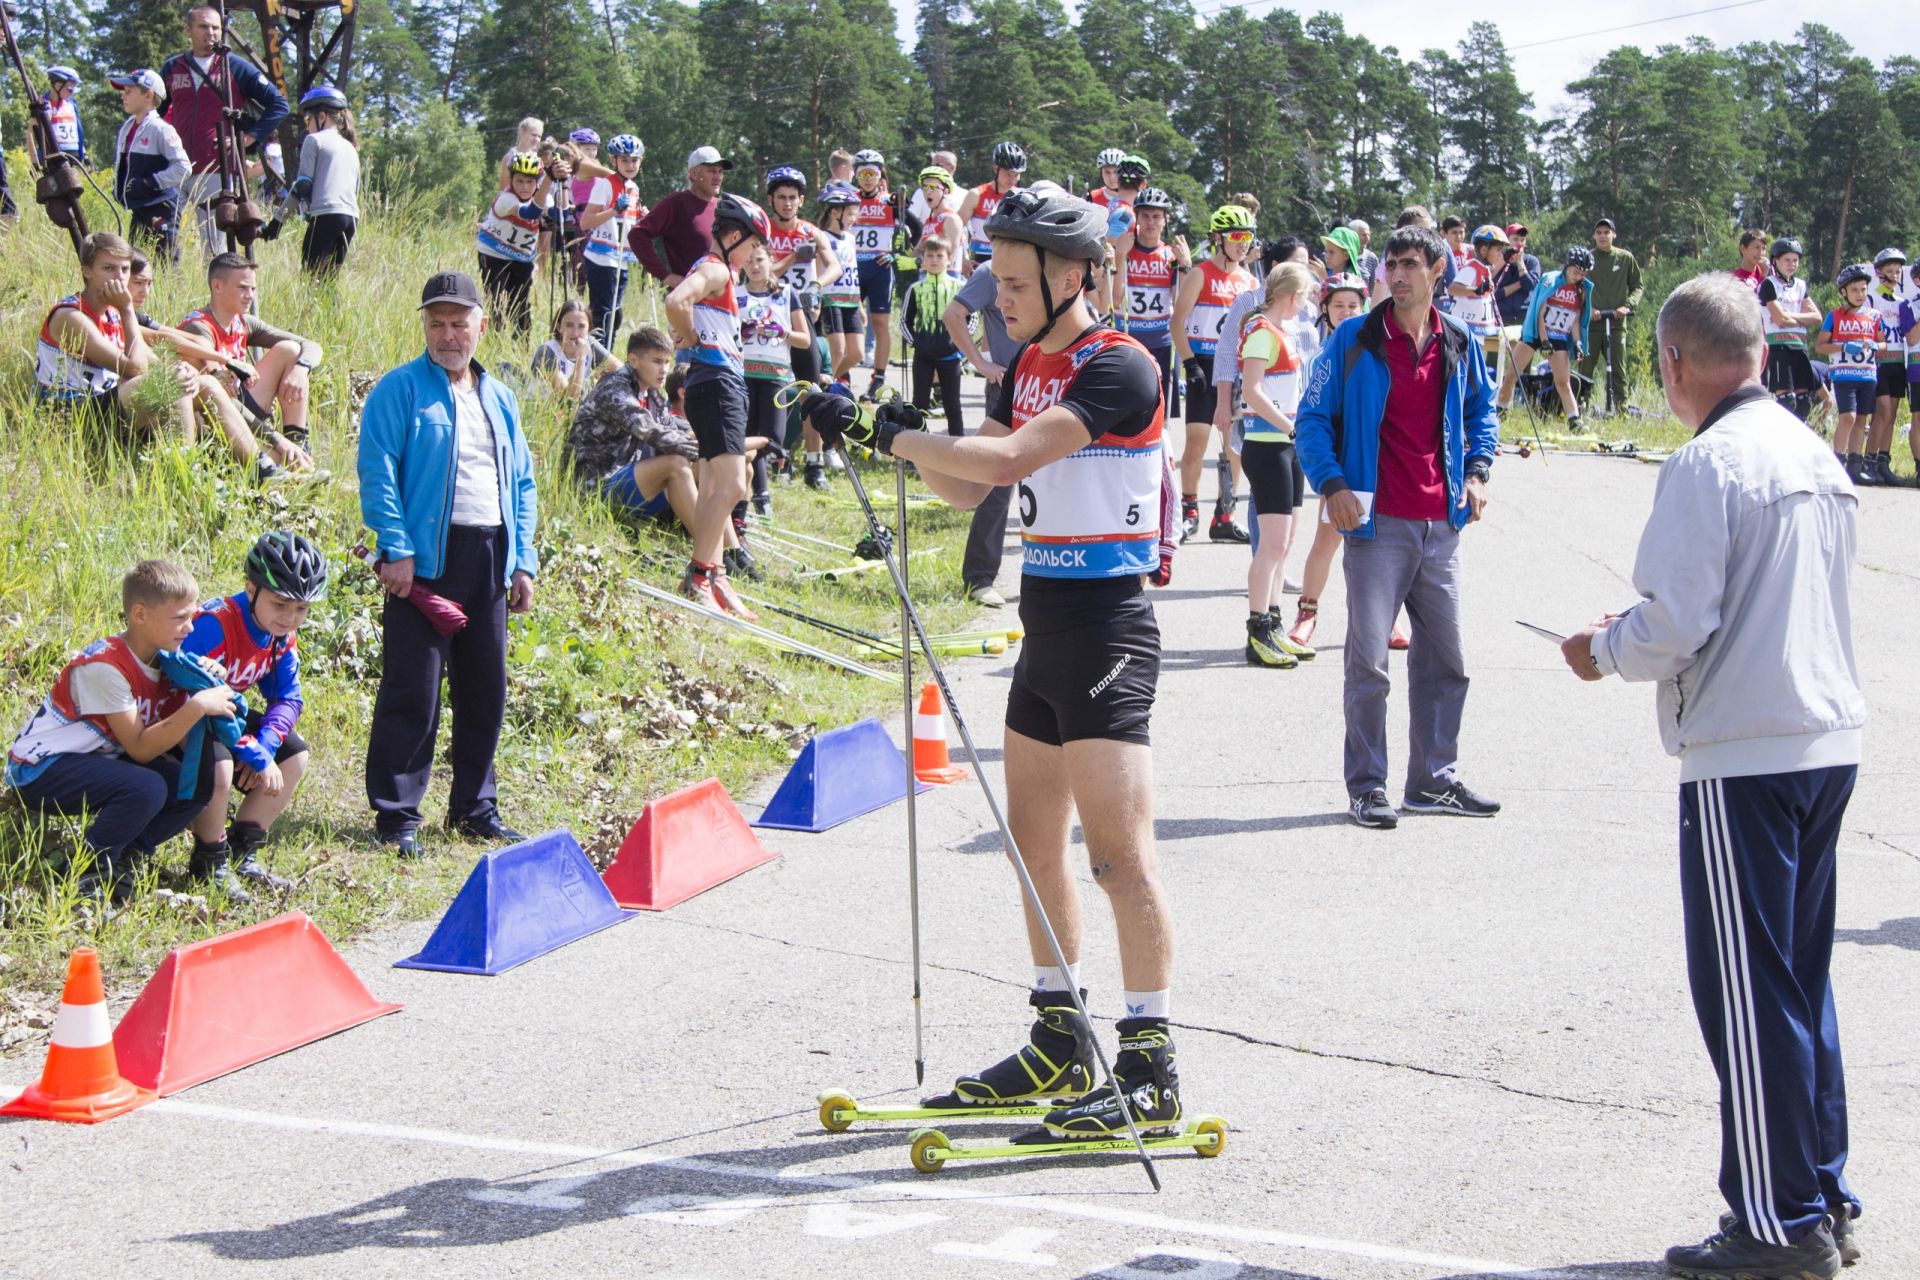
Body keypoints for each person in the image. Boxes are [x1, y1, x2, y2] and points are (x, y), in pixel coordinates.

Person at [808, 182, 1183, 1143]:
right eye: (997, 277)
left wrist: (898, 434)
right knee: (1032, 842)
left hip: (1108, 628)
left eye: (1015, 282)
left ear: (1072, 275)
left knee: (1117, 856)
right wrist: (876, 426)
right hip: (1044, 624)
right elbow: (962, 477)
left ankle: (1148, 1063)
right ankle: (1060, 1031)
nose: (998, 295)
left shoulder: (1122, 368)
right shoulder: (1021, 369)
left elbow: (1012, 459)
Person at [1559, 272, 1863, 1280]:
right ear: (1762, 354)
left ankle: (1779, 1219)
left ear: (1675, 362)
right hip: (1823, 738)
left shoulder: (1707, 462)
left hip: (1746, 749)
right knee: (1797, 981)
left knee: (1748, 992)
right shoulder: (1813, 450)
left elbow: (1678, 624)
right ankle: (1819, 1187)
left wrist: (1605, 646)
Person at [1295, 224, 1500, 831]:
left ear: (1439, 271)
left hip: (1442, 524)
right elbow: (1311, 418)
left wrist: (1480, 469)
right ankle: (1367, 786)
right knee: (1369, 664)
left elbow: (1483, 411)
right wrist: (1331, 485)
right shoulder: (1354, 340)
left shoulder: (1458, 340)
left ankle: (1433, 781)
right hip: (1376, 525)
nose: (1399, 275)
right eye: (1392, 264)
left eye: (1412, 264)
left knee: (1447, 659)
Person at [358, 272, 539, 858]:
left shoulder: (500, 397)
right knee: (414, 689)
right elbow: (378, 469)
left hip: (489, 556)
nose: (448, 335)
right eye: (437, 323)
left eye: (459, 323)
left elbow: (524, 484)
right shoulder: (400, 389)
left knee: (486, 688)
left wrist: (523, 561)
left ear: (481, 326)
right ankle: (397, 814)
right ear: (425, 327)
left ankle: (473, 809)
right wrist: (396, 546)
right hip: (426, 560)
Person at [5, 559, 236, 905]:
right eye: (180, 618)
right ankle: (89, 871)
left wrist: (196, 682)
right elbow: (141, 749)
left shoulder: (167, 658)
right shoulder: (106, 666)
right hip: (39, 770)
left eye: (193, 616)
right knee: (146, 786)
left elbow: (169, 729)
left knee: (191, 787)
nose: (190, 628)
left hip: (94, 761)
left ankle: (127, 857)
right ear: (139, 614)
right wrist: (198, 705)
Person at [37, 232, 270, 474]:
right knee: (171, 383)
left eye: (125, 269)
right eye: (108, 268)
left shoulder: (111, 313)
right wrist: (127, 309)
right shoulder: (72, 316)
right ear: (87, 271)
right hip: (69, 417)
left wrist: (193, 369)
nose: (119, 277)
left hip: (106, 403)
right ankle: (183, 477)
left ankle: (266, 472)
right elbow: (134, 368)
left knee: (206, 384)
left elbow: (155, 350)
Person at [176, 532, 326, 902]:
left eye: (302, 609)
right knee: (222, 764)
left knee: (294, 754)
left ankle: (243, 851)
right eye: (280, 605)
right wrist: (248, 752)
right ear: (250, 588)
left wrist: (265, 745)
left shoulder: (280, 636)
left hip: (222, 716)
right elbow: (188, 699)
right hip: (179, 717)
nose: (291, 618)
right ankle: (209, 860)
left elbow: (288, 699)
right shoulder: (214, 625)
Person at [664, 193, 772, 618]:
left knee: (713, 483)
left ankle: (715, 576)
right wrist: (690, 338)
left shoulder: (719, 270)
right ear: (731, 236)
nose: (753, 256)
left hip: (714, 383)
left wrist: (692, 338)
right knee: (731, 486)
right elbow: (675, 302)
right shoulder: (714, 268)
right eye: (751, 245)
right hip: (718, 381)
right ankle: (701, 572)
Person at [161, 5, 289, 257]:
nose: (211, 32)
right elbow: (155, 110)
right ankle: (170, 291)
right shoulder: (172, 67)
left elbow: (279, 105)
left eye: (216, 27)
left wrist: (248, 137)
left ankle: (218, 294)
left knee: (214, 246)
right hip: (175, 166)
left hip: (216, 168)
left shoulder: (235, 66)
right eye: (203, 26)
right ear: (188, 30)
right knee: (165, 238)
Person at [1237, 262, 1316, 669]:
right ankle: (1257, 631)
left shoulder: (1283, 331)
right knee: (1270, 545)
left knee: (1284, 543)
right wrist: (1289, 427)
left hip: (1289, 445)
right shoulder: (1260, 332)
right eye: (1304, 296)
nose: (1306, 304)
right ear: (1292, 295)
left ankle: (1275, 624)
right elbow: (1251, 391)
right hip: (1268, 446)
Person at [1286, 272, 1370, 650]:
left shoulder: (1374, 345)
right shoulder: (1323, 351)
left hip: (1376, 460)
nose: (1346, 311)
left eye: (1353, 305)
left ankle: (1388, 619)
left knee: (1386, 547)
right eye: (1338, 305)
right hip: (1339, 464)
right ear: (1325, 308)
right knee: (1327, 539)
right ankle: (1308, 612)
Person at [178, 252, 323, 463]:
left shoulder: (243, 322)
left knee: (290, 350)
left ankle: (298, 443)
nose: (250, 295)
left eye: (253, 289)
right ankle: (284, 457)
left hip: (242, 404)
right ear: (217, 286)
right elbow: (215, 397)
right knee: (286, 464)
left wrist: (301, 369)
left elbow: (311, 346)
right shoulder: (198, 328)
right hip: (217, 417)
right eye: (243, 288)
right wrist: (273, 438)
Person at [1172, 204, 1259, 543]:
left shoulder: (1249, 280)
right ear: (1218, 239)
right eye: (1236, 236)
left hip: (1234, 369)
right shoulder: (1201, 273)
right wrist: (1189, 362)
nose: (1243, 243)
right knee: (1197, 440)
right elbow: (1177, 321)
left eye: (1248, 236)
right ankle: (1189, 509)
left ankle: (1225, 513)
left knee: (1233, 447)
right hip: (1203, 365)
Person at [943, 250, 1024, 607]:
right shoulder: (992, 270)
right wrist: (980, 363)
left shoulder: (1054, 269)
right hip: (1006, 385)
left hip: (1051, 384)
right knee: (995, 483)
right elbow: (953, 314)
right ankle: (979, 578)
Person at [568, 324, 700, 531]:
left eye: (667, 362)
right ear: (633, 360)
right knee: (676, 464)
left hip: (627, 480)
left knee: (704, 466)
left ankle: (730, 549)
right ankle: (709, 553)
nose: (664, 369)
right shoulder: (615, 389)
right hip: (595, 489)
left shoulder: (654, 395)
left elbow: (672, 432)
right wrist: (704, 448)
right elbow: (652, 432)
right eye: (656, 361)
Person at [737, 242, 808, 519]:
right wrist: (740, 333)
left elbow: (804, 340)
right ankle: (758, 496)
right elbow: (726, 333)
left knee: (770, 439)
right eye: (749, 262)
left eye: (759, 260)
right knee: (746, 438)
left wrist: (783, 333)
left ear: (771, 260)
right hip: (744, 374)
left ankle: (763, 490)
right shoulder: (737, 294)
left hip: (775, 375)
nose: (755, 267)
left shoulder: (787, 294)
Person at [1496, 245, 1594, 433]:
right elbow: (1540, 311)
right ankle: (1500, 411)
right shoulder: (1551, 281)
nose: (1578, 276)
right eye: (1575, 272)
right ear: (1567, 265)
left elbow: (1574, 319)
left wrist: (1577, 342)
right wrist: (1544, 340)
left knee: (1563, 381)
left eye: (1582, 274)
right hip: (1536, 333)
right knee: (1511, 375)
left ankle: (1575, 421)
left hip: (1558, 335)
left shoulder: (1579, 290)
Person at [848, 150, 920, 399]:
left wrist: (898, 254)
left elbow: (917, 229)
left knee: (880, 324)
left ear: (881, 175)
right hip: (852, 269)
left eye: (873, 173)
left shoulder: (890, 202)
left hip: (879, 269)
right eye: (863, 173)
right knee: (851, 321)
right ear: (856, 176)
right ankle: (843, 375)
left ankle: (878, 379)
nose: (868, 178)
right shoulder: (848, 200)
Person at [1111, 187, 1187, 411]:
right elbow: (1115, 300)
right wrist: (1119, 256)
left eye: (1156, 216)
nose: (1150, 222)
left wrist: (1185, 266)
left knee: (1159, 407)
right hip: (1129, 337)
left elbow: (1181, 304)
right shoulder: (1125, 250)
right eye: (1145, 216)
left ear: (1165, 220)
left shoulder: (1171, 255)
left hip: (1161, 340)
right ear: (1137, 217)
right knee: (1127, 405)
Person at [271, 85, 360, 275]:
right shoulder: (351, 147)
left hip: (326, 216)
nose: (307, 125)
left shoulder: (314, 140)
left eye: (307, 118)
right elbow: (356, 189)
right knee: (329, 281)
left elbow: (302, 186)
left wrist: (277, 221)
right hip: (350, 218)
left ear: (322, 116)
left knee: (311, 280)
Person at [477, 152, 563, 336]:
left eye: (530, 182)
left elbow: (558, 214)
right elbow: (531, 212)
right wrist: (549, 176)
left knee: (521, 305)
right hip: (493, 254)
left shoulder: (543, 198)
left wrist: (562, 181)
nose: (525, 187)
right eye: (520, 181)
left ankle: (521, 347)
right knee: (497, 302)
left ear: (537, 183)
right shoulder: (505, 198)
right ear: (511, 180)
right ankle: (496, 342)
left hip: (521, 258)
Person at [110, 69, 190, 263]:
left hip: (161, 206)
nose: (123, 96)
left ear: (148, 95)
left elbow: (183, 167)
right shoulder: (128, 127)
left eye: (129, 91)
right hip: (139, 206)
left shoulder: (161, 129)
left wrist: (151, 183)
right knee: (136, 262)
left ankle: (170, 293)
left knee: (165, 262)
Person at [1814, 263, 1883, 485]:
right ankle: (1837, 461)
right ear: (1844, 292)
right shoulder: (1834, 316)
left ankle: (1855, 463)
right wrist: (1843, 346)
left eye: (1863, 289)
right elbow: (1820, 347)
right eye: (1855, 290)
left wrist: (1875, 346)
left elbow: (1884, 345)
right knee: (1848, 417)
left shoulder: (1874, 316)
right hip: (1843, 375)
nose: (1860, 294)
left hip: (1867, 375)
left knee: (1861, 419)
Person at [812, 181, 867, 454]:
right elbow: (819, 269)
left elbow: (853, 271)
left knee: (856, 353)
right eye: (851, 212)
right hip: (831, 299)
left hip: (851, 301)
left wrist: (861, 305)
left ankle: (824, 383)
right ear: (836, 212)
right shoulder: (823, 237)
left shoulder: (851, 239)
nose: (855, 217)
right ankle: (822, 391)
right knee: (839, 350)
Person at [577, 134, 646, 348]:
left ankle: (607, 355)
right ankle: (596, 358)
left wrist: (643, 217)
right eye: (624, 160)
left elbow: (628, 225)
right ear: (613, 160)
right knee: (604, 314)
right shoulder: (605, 185)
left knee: (615, 316)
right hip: (601, 258)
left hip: (621, 259)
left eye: (634, 160)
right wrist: (614, 210)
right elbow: (586, 222)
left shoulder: (634, 188)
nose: (630, 165)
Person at [632, 146, 727, 291]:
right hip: (689, 299)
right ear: (694, 173)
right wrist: (665, 276)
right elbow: (637, 234)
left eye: (720, 172)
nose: (718, 177)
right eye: (711, 171)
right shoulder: (677, 203)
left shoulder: (723, 208)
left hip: (722, 298)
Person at [1576, 218, 1643, 415]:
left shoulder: (1625, 258)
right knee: (1585, 369)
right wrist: (1590, 309)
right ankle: (1581, 409)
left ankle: (1621, 410)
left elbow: (1638, 286)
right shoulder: (1587, 258)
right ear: (1594, 236)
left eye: (1607, 232)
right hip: (1592, 324)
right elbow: (1576, 287)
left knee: (1618, 370)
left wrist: (1627, 306)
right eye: (1599, 233)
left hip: (1616, 323)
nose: (1603, 236)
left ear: (1614, 235)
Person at [902, 236, 966, 437]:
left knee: (952, 405)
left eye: (940, 255)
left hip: (950, 357)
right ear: (923, 259)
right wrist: (916, 342)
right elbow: (905, 321)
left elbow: (972, 318)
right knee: (919, 403)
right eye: (929, 255)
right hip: (923, 357)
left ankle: (958, 451)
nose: (935, 260)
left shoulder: (959, 287)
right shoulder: (915, 288)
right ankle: (914, 450)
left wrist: (959, 341)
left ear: (949, 259)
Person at [1759, 237, 1822, 423]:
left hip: (1799, 347)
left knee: (1803, 403)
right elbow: (1779, 319)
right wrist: (1801, 319)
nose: (1791, 264)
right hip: (1779, 348)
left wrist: (1791, 317)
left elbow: (1817, 318)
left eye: (1795, 260)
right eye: (1787, 260)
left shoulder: (1801, 285)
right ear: (1775, 261)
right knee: (1787, 401)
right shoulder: (1769, 285)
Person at [1864, 248, 1910, 487]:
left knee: (1891, 415)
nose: (1894, 274)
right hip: (1879, 362)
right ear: (1879, 272)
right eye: (1889, 270)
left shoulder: (1903, 303)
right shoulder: (1872, 298)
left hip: (1897, 363)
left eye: (1898, 271)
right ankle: (1868, 461)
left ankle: (1883, 461)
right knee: (1881, 412)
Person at [957, 142, 1025, 274]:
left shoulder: (1022, 197)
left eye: (1016, 174)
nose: (1012, 179)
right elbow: (956, 228)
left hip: (1010, 262)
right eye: (1008, 173)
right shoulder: (976, 194)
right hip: (979, 262)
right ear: (995, 168)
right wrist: (963, 258)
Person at [531, 299, 617, 398]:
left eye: (581, 326)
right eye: (569, 325)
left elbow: (620, 371)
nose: (575, 333)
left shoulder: (589, 343)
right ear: (559, 327)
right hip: (548, 409)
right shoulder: (547, 352)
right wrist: (581, 358)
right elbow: (568, 399)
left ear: (588, 329)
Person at [1448, 225, 1506, 347]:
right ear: (1484, 250)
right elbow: (1453, 289)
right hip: (1463, 332)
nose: (1500, 254)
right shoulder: (1472, 267)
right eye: (1498, 250)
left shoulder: (1486, 268)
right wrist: (1477, 290)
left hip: (1477, 332)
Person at [1493, 222, 1541, 329]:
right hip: (1501, 318)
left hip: (1525, 317)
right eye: (1515, 239)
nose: (1519, 243)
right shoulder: (1497, 261)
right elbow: (1493, 294)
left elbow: (1529, 285)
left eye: (1522, 240)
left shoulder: (1532, 262)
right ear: (1507, 241)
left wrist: (1520, 262)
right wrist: (1518, 285)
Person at [43, 65, 87, 165]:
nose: (71, 94)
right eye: (70, 90)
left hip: (74, 156)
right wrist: (36, 163)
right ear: (58, 85)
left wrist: (84, 154)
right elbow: (33, 134)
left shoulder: (71, 105)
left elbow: (77, 132)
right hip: (54, 156)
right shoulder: (44, 105)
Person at [496, 116, 544, 190]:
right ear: (522, 132)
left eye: (539, 136)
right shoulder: (510, 157)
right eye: (534, 135)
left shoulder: (538, 159)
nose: (536, 139)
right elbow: (504, 188)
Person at [1731, 229, 1768, 295]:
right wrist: (1762, 277)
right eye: (1757, 247)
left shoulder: (1769, 272)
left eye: (1764, 248)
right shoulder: (1734, 279)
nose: (1761, 253)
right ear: (1743, 249)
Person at [1347, 219, 1377, 284]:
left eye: (1369, 235)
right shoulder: (1342, 256)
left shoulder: (1371, 258)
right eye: (1364, 235)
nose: (1367, 238)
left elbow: (1376, 284)